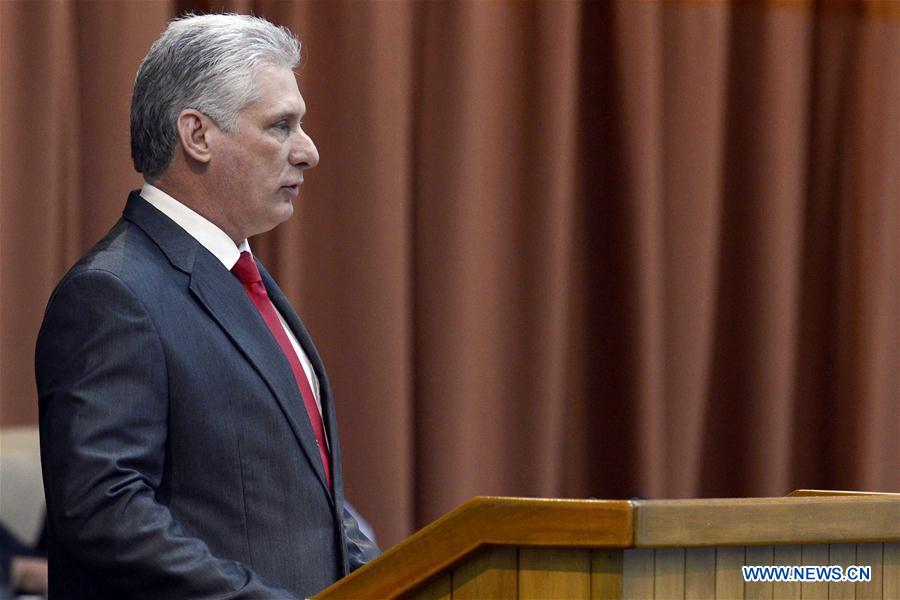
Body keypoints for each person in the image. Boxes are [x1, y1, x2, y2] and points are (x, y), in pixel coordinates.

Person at [34, 13, 379, 598]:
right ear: (197, 135)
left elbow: (302, 493)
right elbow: (107, 513)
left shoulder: (242, 278)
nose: (309, 152)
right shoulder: (112, 294)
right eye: (281, 126)